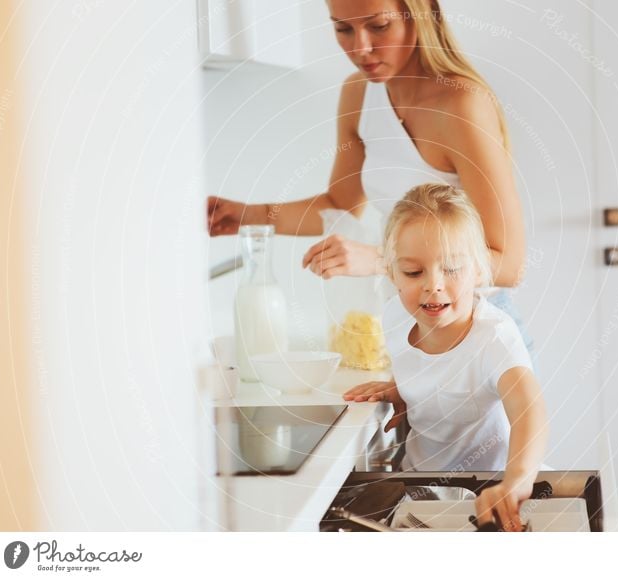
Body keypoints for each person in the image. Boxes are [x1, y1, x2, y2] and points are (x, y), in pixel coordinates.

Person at [206, 0, 534, 357]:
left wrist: (382, 261)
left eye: (378, 26)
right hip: (414, 333)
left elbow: (509, 265)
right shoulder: (359, 93)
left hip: (479, 338)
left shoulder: (460, 104)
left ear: (420, 16)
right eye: (343, 29)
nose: (360, 48)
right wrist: (244, 216)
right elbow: (339, 206)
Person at [344, 184, 547, 532]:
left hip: (486, 494)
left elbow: (530, 410)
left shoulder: (493, 337)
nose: (433, 285)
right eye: (413, 272)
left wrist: (516, 482)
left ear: (480, 271)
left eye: (452, 268)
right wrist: (403, 389)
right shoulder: (396, 317)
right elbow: (437, 374)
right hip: (420, 486)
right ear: (391, 273)